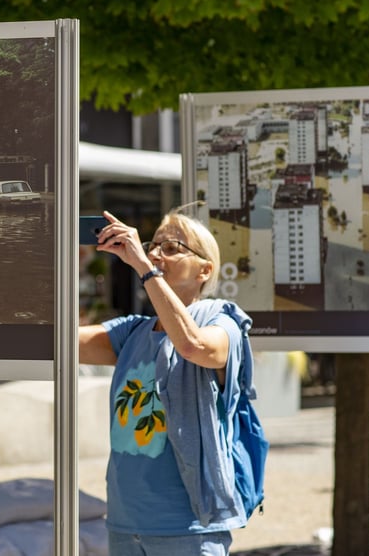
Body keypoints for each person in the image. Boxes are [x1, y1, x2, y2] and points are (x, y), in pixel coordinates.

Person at [79, 208, 255, 556]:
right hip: (125, 525)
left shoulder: (224, 322)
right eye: (153, 245)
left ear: (205, 270)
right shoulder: (133, 331)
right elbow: (60, 343)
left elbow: (192, 346)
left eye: (172, 247)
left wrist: (144, 267)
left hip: (188, 528)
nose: (157, 253)